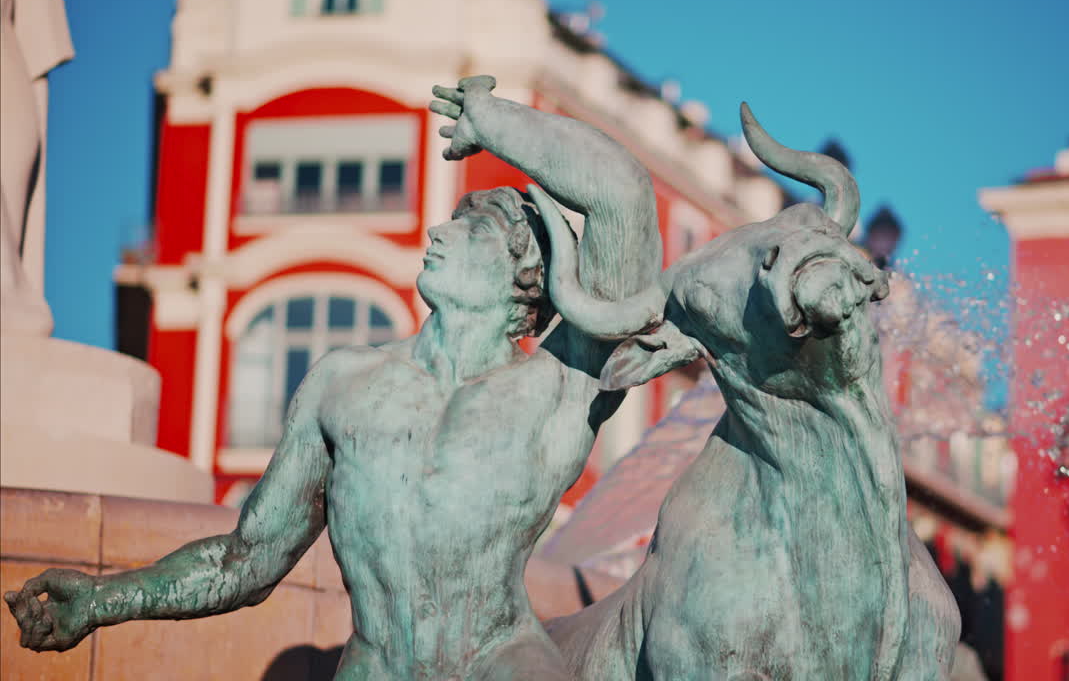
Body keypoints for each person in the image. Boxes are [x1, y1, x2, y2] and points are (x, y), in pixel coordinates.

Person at [4, 75, 662, 681]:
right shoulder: (342, 384)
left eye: (472, 230)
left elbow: (622, 196)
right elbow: (249, 558)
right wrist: (101, 599)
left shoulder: (554, 389)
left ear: (525, 275)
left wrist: (497, 125)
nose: (437, 232)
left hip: (502, 664)